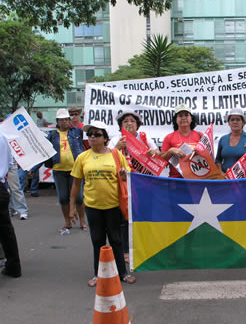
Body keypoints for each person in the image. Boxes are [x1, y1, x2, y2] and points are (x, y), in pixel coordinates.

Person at [70, 121, 136, 287]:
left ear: (105, 138)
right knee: (97, 241)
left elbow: (127, 176)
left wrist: (123, 174)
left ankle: (122, 273)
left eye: (97, 134)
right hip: (92, 207)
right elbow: (76, 183)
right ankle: (98, 274)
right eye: (90, 134)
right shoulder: (82, 157)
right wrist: (72, 206)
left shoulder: (116, 155)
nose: (92, 137)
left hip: (113, 206)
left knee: (116, 241)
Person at [108, 111, 160, 262]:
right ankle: (125, 250)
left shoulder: (144, 138)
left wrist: (153, 151)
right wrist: (117, 147)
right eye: (125, 121)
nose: (129, 123)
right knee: (125, 217)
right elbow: (108, 156)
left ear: (137, 124)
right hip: (124, 184)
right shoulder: (116, 140)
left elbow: (157, 152)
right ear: (121, 126)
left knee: (145, 215)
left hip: (144, 182)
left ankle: (147, 246)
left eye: (132, 121)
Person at [47, 108, 87, 233]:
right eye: (61, 120)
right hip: (59, 170)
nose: (63, 122)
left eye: (65, 119)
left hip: (75, 170)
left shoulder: (77, 132)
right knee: (63, 198)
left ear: (69, 120)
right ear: (57, 121)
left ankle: (82, 221)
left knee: (79, 198)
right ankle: (67, 222)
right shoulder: (52, 135)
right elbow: (45, 151)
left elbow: (88, 136)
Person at [0, 132, 22, 278]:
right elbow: (9, 163)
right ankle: (14, 267)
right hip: (1, 187)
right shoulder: (2, 137)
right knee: (5, 230)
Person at [160, 104, 202, 178]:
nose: (183, 118)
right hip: (176, 181)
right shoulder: (169, 137)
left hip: (196, 181)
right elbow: (161, 162)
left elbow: (209, 158)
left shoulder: (200, 135)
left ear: (191, 118)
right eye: (180, 116)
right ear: (175, 120)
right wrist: (170, 151)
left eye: (186, 115)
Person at [215, 108, 246, 173]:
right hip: (225, 179)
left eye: (238, 120)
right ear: (229, 123)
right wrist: (221, 173)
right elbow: (218, 160)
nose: (235, 122)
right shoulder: (223, 139)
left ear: (243, 123)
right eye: (232, 120)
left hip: (244, 180)